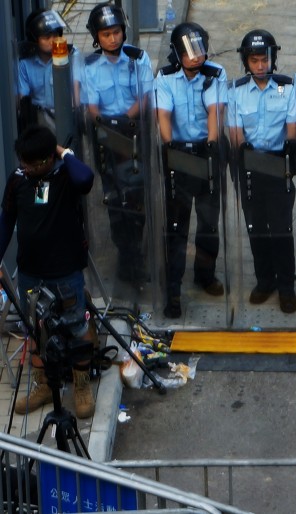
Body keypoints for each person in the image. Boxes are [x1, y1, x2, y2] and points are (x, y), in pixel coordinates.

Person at [0, 125, 96, 418]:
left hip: (65, 271)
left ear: (46, 160)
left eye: (30, 163)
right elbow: (6, 221)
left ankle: (81, 386)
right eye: (22, 162)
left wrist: (63, 152)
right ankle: (43, 386)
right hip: (31, 272)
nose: (23, 168)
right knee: (37, 331)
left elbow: (87, 178)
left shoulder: (66, 174)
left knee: (77, 327)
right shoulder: (18, 180)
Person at [155, 22, 227, 318]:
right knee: (176, 226)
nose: (197, 58)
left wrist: (211, 145)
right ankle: (173, 289)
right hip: (178, 155)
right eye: (190, 53)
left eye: (200, 51)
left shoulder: (215, 74)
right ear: (176, 54)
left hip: (207, 151)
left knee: (208, 222)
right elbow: (163, 116)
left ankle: (205, 275)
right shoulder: (165, 77)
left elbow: (215, 111)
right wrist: (170, 148)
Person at [82, 2, 153, 289]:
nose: (112, 38)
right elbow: (92, 107)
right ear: (96, 37)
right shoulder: (89, 66)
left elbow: (145, 97)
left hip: (133, 136)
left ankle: (136, 255)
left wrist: (124, 121)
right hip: (106, 140)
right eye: (106, 34)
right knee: (115, 200)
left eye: (116, 32)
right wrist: (108, 126)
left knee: (137, 198)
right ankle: (127, 257)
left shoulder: (138, 59)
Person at [228, 29, 296, 313]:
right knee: (256, 227)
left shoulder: (288, 89)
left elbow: (292, 128)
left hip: (277, 165)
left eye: (265, 60)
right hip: (249, 167)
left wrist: (289, 151)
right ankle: (264, 280)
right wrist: (243, 150)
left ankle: (286, 287)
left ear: (273, 60)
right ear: (246, 62)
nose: (260, 66)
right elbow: (234, 131)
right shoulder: (235, 92)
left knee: (282, 229)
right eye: (254, 61)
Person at [17, 9, 82, 131]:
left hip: (68, 116)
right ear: (35, 39)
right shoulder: (25, 64)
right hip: (39, 122)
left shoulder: (72, 55)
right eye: (46, 37)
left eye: (55, 35)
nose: (53, 41)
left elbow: (76, 89)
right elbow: (23, 100)